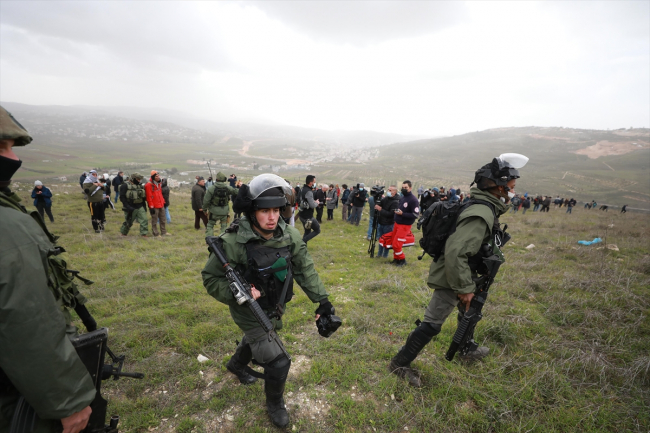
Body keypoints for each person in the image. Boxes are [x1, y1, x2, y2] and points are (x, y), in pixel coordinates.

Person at [202, 174, 336, 428]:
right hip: (247, 309)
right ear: (252, 213)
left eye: (277, 210)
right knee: (278, 360)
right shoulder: (232, 242)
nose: (272, 217)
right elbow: (210, 279)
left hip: (275, 304)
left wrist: (323, 301)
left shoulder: (290, 236)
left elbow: (305, 269)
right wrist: (238, 293)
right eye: (265, 211)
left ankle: (237, 364)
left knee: (260, 339)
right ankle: (275, 403)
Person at [389, 153, 527, 387]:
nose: (513, 191)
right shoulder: (481, 213)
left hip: (466, 272)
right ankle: (399, 363)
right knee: (432, 323)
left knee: (469, 312)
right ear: (497, 187)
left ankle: (466, 347)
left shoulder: (486, 206)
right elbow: (455, 253)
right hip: (453, 275)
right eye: (511, 187)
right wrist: (463, 287)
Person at [0, 106, 96, 433]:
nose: (12, 158)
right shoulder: (7, 228)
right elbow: (27, 319)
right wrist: (67, 398)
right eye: (2, 147)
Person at [388, 181, 419, 266]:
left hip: (404, 225)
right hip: (397, 223)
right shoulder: (402, 198)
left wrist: (403, 214)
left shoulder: (413, 200)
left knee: (397, 244)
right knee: (393, 242)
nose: (404, 189)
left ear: (410, 188)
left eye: (406, 188)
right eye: (403, 187)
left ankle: (402, 260)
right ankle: (396, 259)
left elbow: (415, 214)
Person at [203, 172, 239, 236]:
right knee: (224, 227)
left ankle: (209, 240)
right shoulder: (228, 188)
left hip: (213, 211)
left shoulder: (211, 188)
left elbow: (206, 201)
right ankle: (222, 240)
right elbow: (236, 192)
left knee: (210, 226)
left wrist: (204, 210)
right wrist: (240, 186)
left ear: (217, 179)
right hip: (224, 212)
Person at [119, 172, 149, 237]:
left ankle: (143, 234)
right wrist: (127, 206)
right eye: (138, 179)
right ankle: (123, 234)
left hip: (140, 206)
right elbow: (122, 197)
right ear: (133, 178)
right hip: (130, 206)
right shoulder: (125, 186)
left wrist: (144, 206)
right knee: (128, 222)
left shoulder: (140, 186)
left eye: (139, 179)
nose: (139, 181)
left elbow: (143, 197)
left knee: (144, 220)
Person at [374, 185, 399, 258]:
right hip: (381, 222)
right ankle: (379, 254)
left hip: (388, 224)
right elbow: (380, 204)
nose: (388, 191)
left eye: (390, 190)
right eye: (388, 190)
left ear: (394, 192)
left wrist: (380, 210)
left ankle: (385, 255)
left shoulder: (395, 202)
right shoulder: (386, 198)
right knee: (381, 239)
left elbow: (391, 214)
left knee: (387, 240)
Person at [145, 171, 170, 237]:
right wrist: (151, 206)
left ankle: (164, 232)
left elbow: (160, 194)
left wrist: (163, 202)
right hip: (154, 206)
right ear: (153, 177)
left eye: (158, 176)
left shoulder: (159, 184)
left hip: (161, 204)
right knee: (155, 220)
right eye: (156, 176)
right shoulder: (148, 185)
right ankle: (156, 234)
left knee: (163, 219)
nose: (158, 177)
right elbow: (149, 197)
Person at [298, 175, 321, 244]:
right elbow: (312, 205)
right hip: (308, 217)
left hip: (301, 214)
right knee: (317, 230)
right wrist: (317, 202)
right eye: (314, 182)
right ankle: (302, 242)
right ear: (311, 183)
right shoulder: (309, 192)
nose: (315, 183)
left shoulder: (302, 189)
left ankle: (303, 247)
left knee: (307, 231)